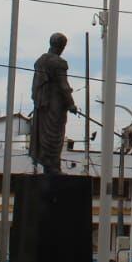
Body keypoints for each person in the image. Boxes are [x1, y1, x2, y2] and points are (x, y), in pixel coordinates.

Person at [29, 33, 78, 173]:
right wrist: (71, 104)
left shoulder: (40, 61)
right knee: (54, 135)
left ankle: (48, 165)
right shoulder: (59, 63)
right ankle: (52, 165)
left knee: (43, 133)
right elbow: (64, 85)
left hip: (41, 104)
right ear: (62, 46)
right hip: (55, 105)